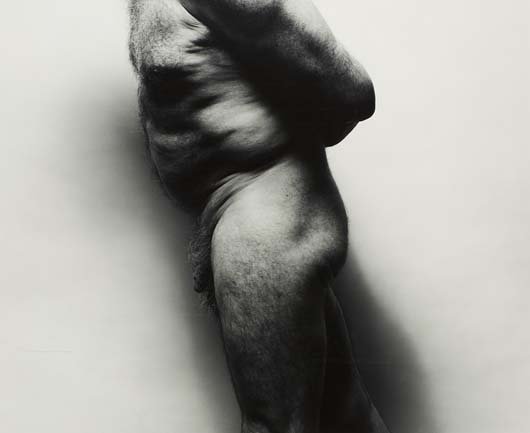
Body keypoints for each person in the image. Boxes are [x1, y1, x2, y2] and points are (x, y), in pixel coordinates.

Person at [129, 1, 389, 431]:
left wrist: (268, 162)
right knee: (348, 419)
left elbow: (353, 96)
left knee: (273, 425)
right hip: (246, 215)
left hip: (265, 214)